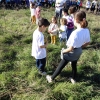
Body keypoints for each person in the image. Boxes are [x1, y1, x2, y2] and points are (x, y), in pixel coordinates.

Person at [46, 11, 90, 84]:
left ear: (76, 20)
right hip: (78, 51)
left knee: (61, 66)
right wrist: (80, 46)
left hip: (71, 52)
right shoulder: (86, 30)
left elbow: (70, 48)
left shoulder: (75, 33)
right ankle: (73, 78)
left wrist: (63, 51)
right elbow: (88, 42)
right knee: (74, 65)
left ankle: (51, 78)